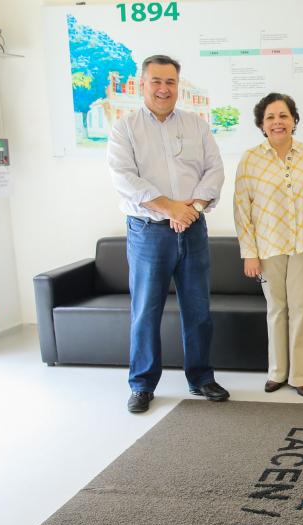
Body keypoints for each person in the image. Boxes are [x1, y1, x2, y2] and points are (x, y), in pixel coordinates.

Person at [108, 54, 228, 413]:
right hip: (148, 232)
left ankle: (201, 378)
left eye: (170, 82)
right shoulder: (125, 128)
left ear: (178, 85)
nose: (164, 89)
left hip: (193, 228)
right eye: (156, 81)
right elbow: (124, 178)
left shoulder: (196, 125)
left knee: (199, 309)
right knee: (146, 311)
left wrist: (193, 208)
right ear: (142, 84)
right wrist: (170, 207)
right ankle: (142, 384)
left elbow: (214, 170)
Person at [234, 92, 303, 397]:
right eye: (270, 117)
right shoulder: (250, 159)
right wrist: (249, 253)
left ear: (293, 120)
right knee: (276, 309)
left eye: (283, 116)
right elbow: (242, 210)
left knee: (302, 309)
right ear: (261, 125)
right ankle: (277, 372)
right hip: (268, 247)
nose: (277, 122)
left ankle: (301, 376)